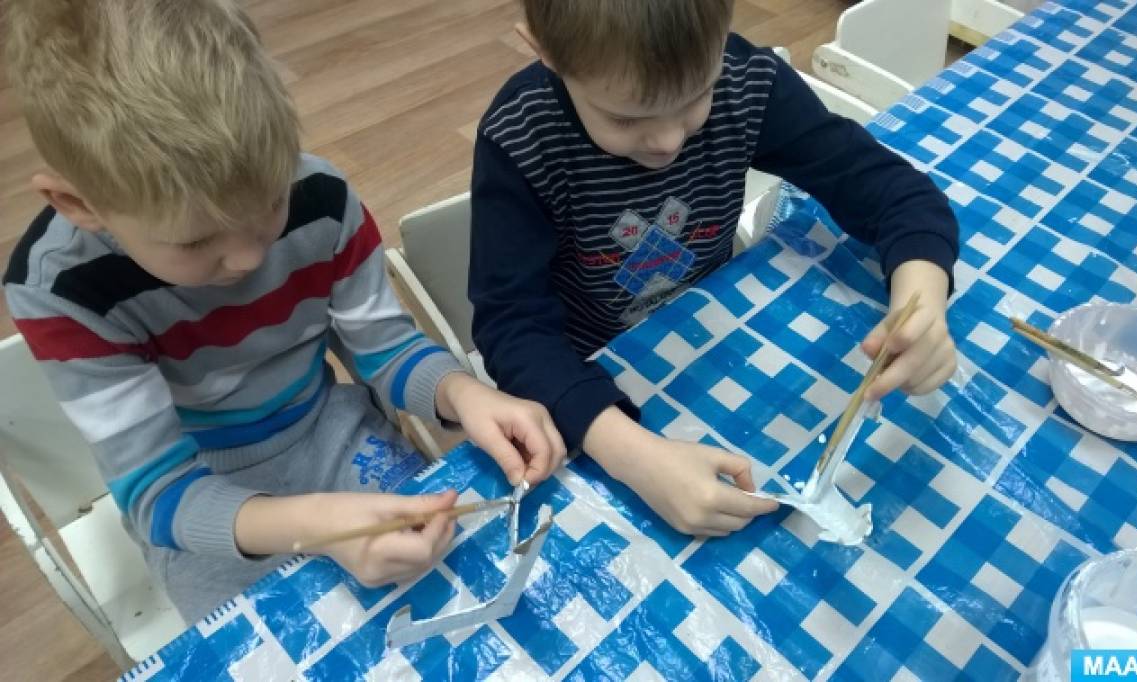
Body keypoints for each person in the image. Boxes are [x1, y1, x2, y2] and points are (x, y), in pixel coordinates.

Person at [2, 0, 564, 623]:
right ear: (78, 203)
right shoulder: (64, 291)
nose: (249, 257)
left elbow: (385, 349)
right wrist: (314, 525)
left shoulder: (319, 198)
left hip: (328, 431)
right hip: (200, 496)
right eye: (196, 241)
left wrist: (463, 394)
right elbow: (159, 493)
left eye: (271, 202)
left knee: (456, 583)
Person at [469, 0, 959, 537]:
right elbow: (511, 328)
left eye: (696, 96)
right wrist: (635, 457)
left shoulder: (746, 82)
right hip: (586, 368)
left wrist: (922, 302)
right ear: (546, 52)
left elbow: (892, 191)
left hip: (709, 333)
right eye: (625, 118)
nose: (668, 141)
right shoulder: (523, 136)